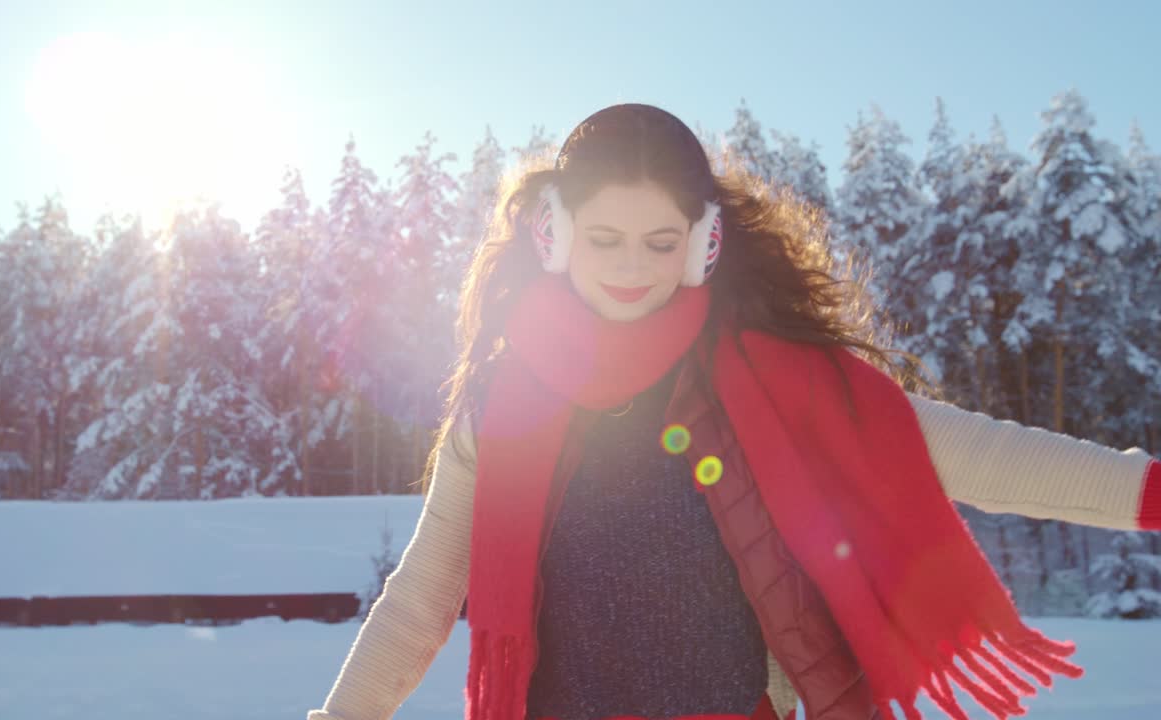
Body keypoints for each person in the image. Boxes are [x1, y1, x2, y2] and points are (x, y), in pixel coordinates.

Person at [307, 103, 1160, 720]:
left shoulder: (773, 383)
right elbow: (423, 597)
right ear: (555, 239)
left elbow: (974, 454)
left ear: (703, 244)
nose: (631, 266)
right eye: (605, 240)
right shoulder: (501, 408)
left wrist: (1148, 492)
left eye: (660, 241)